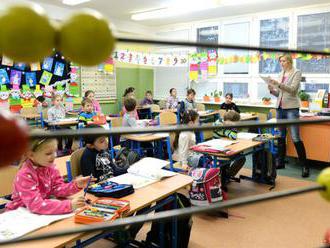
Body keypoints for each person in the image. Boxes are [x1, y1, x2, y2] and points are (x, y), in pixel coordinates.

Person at [6, 137, 93, 215]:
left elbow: (58, 189)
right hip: (19, 215)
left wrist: (76, 185)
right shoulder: (25, 175)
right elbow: (36, 205)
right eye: (48, 153)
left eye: (55, 151)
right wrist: (69, 205)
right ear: (31, 155)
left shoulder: (50, 166)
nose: (55, 156)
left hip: (39, 213)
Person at [268, 53, 309, 177]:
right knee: (281, 136)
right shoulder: (281, 74)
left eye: (284, 61)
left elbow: (292, 90)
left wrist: (278, 84)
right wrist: (272, 90)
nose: (281, 63)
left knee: (296, 137)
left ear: (290, 61)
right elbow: (280, 94)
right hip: (280, 108)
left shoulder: (296, 72)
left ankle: (305, 166)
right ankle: (280, 162)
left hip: (291, 109)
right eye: (280, 61)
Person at [213, 110, 246, 178]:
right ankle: (226, 176)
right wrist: (234, 127)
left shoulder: (226, 122)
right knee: (240, 158)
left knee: (241, 156)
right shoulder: (218, 124)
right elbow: (233, 136)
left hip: (228, 145)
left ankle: (227, 176)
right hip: (218, 150)